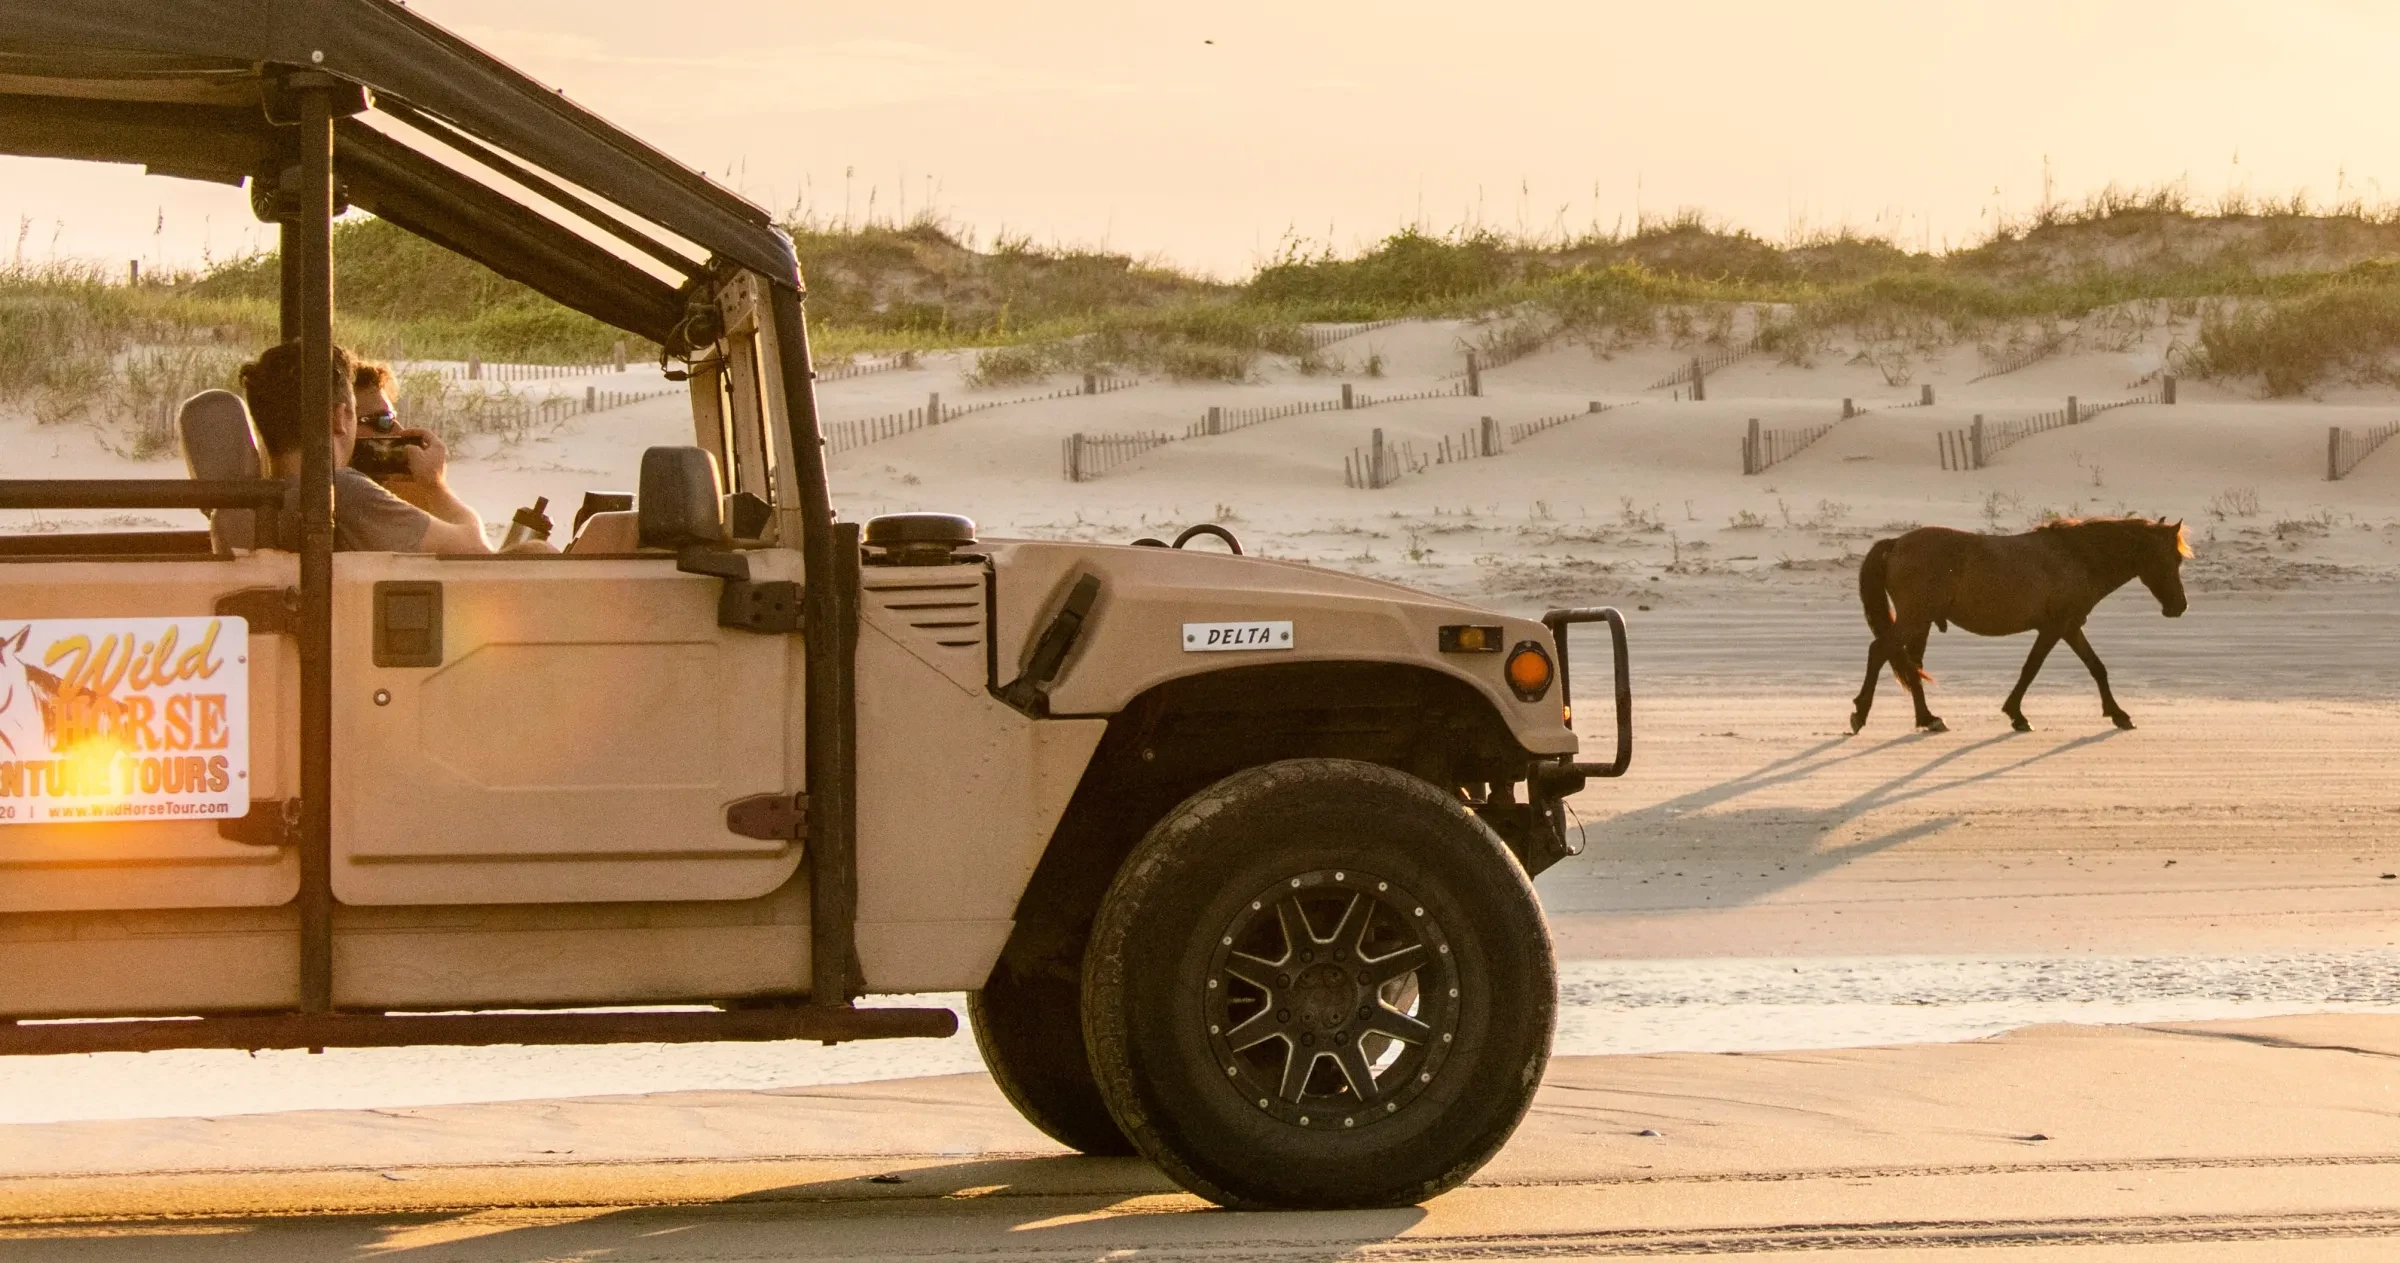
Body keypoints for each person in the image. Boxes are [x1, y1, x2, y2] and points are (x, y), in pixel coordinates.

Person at [237, 342, 489, 554]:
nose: (398, 431)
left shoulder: (258, 502)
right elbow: (476, 552)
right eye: (382, 421)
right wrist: (435, 486)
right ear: (339, 417)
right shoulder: (341, 491)